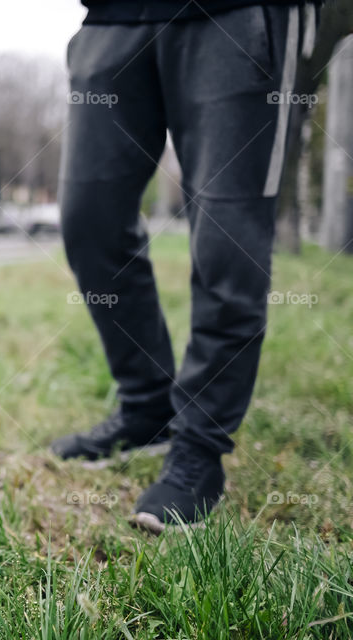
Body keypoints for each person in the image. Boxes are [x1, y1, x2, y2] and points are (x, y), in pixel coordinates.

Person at [51, 0, 319, 532]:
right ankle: (148, 407)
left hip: (240, 16)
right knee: (90, 223)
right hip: (114, 17)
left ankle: (200, 445)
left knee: (228, 244)